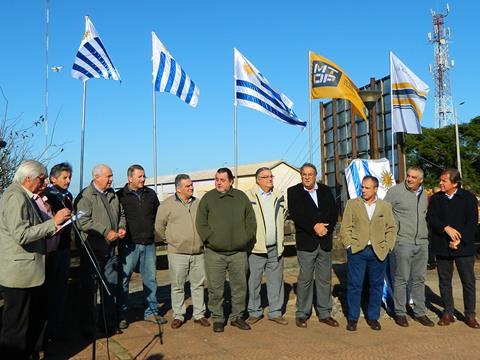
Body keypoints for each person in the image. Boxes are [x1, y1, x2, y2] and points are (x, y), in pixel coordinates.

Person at [0, 160, 70, 359]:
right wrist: (53, 223)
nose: (45, 182)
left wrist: (53, 225)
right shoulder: (16, 197)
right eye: (42, 178)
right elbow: (21, 235)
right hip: (19, 275)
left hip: (28, 273)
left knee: (27, 323)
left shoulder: (25, 196)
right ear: (28, 178)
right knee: (16, 328)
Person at [196, 167, 256, 333]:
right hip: (214, 253)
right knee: (216, 288)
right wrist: (211, 239)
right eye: (216, 179)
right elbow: (201, 223)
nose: (219, 183)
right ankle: (218, 318)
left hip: (238, 253)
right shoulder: (208, 198)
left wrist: (244, 239)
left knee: (239, 287)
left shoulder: (241, 197)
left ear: (231, 181)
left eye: (222, 180)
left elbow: (251, 222)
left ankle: (237, 317)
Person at [75, 164, 126, 336]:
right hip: (93, 250)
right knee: (90, 290)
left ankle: (108, 325)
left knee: (109, 289)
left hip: (111, 250)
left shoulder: (112, 194)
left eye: (111, 175)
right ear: (96, 177)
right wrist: (105, 232)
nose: (111, 179)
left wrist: (121, 227)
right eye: (108, 176)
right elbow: (82, 222)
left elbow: (121, 214)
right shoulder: (86, 196)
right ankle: (88, 329)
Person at [340, 176, 396, 331]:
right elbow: (345, 227)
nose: (363, 190)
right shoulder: (352, 204)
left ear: (375, 189)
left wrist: (387, 247)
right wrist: (349, 245)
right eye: (362, 187)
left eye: (367, 187)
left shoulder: (385, 206)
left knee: (376, 286)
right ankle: (352, 318)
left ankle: (373, 317)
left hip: (378, 252)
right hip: (357, 251)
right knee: (354, 285)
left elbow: (391, 228)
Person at [427, 168, 479, 329]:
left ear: (454, 183)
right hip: (442, 245)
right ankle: (448, 312)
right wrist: (445, 228)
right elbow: (431, 218)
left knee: (468, 281)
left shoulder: (468, 198)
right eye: (440, 180)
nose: (440, 183)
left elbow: (472, 222)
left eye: (444, 181)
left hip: (463, 246)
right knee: (444, 281)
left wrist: (459, 239)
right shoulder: (436, 199)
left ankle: (470, 315)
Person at [287, 163, 338, 328]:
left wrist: (324, 228)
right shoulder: (293, 192)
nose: (307, 177)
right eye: (304, 174)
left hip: (325, 241)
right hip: (306, 242)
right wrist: (314, 226)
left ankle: (325, 313)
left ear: (315, 175)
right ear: (301, 176)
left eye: (310, 174)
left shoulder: (325, 190)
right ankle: (302, 313)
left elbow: (333, 212)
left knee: (324, 279)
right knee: (305, 279)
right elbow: (297, 214)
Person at [155, 174, 209, 329]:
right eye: (188, 186)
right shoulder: (166, 205)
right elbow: (159, 227)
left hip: (198, 252)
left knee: (198, 285)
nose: (191, 188)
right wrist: (171, 240)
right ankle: (179, 315)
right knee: (177, 285)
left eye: (191, 185)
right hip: (177, 253)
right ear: (178, 188)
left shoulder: (198, 203)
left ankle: (199, 314)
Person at [385, 166, 434, 327]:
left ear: (421, 180)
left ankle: (420, 312)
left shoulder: (424, 194)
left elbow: (424, 215)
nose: (409, 179)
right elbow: (384, 212)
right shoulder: (395, 191)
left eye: (413, 177)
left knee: (419, 279)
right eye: (408, 176)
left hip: (421, 242)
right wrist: (394, 232)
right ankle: (400, 312)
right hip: (403, 242)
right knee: (402, 279)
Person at [117, 165, 165, 329]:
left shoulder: (151, 194)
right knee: (124, 280)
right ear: (130, 178)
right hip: (129, 245)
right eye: (140, 176)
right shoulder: (119, 196)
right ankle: (122, 314)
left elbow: (158, 215)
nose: (143, 179)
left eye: (144, 176)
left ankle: (151, 312)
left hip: (149, 244)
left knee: (150, 279)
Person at [245, 167, 288, 326]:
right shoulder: (249, 196)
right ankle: (254, 311)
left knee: (276, 281)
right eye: (265, 177)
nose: (270, 179)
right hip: (256, 248)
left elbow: (282, 217)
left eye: (271, 176)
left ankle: (275, 312)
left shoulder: (279, 195)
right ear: (257, 180)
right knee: (254, 282)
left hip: (275, 247)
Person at [43, 162, 75, 343]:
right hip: (50, 249)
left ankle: (58, 328)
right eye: (64, 177)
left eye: (69, 177)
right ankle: (47, 332)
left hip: (64, 248)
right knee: (49, 291)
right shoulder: (47, 196)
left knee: (61, 290)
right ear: (53, 179)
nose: (68, 181)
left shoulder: (68, 195)